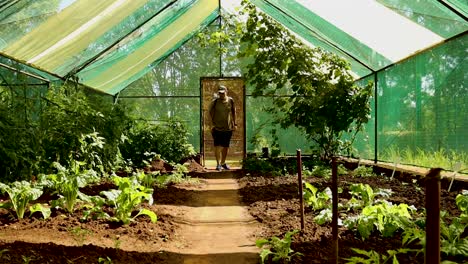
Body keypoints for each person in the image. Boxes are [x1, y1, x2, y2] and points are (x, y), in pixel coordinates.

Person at [209, 85, 237, 171]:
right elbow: (209, 113)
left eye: (223, 93)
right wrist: (211, 124)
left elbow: (234, 112)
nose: (221, 94)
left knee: (226, 146)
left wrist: (235, 124)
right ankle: (218, 165)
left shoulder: (231, 101)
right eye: (220, 93)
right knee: (218, 146)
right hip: (217, 128)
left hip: (228, 128)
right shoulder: (215, 102)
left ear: (226, 91)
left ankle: (223, 163)